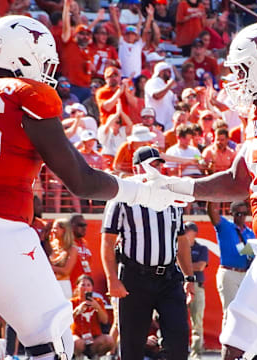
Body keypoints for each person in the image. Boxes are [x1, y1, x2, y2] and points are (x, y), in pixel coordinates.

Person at [0, 15, 192, 360]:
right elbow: (81, 181)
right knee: (51, 340)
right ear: (23, 56)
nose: (49, 69)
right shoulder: (27, 94)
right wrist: (140, 191)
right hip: (2, 231)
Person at [164, 20, 257, 360]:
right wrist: (179, 187)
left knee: (241, 335)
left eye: (244, 70)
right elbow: (237, 179)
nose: (237, 80)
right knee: (255, 343)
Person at [101, 145, 195, 360]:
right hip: (135, 277)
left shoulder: (172, 196)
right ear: (136, 169)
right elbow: (107, 241)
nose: (158, 169)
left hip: (169, 278)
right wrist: (112, 279)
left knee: (179, 340)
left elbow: (180, 240)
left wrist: (189, 277)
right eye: (152, 165)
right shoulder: (122, 197)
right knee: (132, 345)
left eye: (159, 164)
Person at [207, 201, 254, 329]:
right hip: (229, 273)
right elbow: (212, 212)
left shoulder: (250, 232)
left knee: (245, 313)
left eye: (245, 213)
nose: (242, 216)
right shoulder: (225, 226)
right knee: (230, 311)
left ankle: (243, 347)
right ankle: (227, 347)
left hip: (245, 274)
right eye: (238, 213)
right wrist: (212, 196)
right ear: (231, 213)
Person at [70, 274, 114, 358]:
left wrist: (97, 307)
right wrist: (77, 310)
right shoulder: (72, 302)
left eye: (88, 285)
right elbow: (66, 321)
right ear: (77, 287)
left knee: (109, 340)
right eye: (83, 285)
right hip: (78, 336)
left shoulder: (98, 301)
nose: (85, 288)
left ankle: (95, 356)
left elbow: (105, 320)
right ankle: (79, 357)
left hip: (94, 337)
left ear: (92, 288)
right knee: (77, 343)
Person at [185, 221, 208, 360]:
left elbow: (201, 266)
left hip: (197, 287)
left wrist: (184, 265)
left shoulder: (201, 248)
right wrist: (191, 266)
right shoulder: (177, 248)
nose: (186, 232)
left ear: (194, 233)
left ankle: (196, 354)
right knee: (175, 320)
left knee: (197, 321)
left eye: (188, 230)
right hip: (180, 285)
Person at [49, 218, 78, 299]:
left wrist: (49, 268)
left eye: (55, 228)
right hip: (50, 284)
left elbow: (66, 271)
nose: (53, 231)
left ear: (64, 230)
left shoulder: (72, 249)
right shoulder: (51, 247)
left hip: (63, 286)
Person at [144, 62, 176, 131]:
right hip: (157, 123)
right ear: (161, 72)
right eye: (168, 71)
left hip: (168, 124)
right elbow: (156, 96)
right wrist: (169, 86)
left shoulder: (165, 85)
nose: (170, 74)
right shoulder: (152, 82)